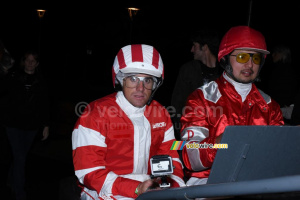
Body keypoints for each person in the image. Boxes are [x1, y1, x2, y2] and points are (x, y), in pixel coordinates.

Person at [72, 44, 185, 200]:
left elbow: (171, 158)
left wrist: (174, 186)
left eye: (148, 80)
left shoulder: (161, 113)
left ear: (155, 85)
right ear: (120, 79)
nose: (141, 88)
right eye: (133, 79)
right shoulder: (95, 113)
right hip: (102, 190)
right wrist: (136, 188)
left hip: (148, 188)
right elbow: (90, 172)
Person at [180, 26, 284, 186]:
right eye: (242, 57)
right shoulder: (200, 98)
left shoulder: (270, 106)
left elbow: (277, 158)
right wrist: (225, 142)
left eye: (256, 58)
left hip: (256, 184)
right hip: (206, 183)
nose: (250, 64)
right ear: (225, 58)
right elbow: (190, 156)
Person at [1, 50, 50, 200]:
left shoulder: (41, 81)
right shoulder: (13, 76)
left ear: (37, 63)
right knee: (20, 157)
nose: (30, 63)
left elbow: (45, 105)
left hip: (31, 126)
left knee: (20, 156)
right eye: (27, 60)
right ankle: (19, 192)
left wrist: (46, 125)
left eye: (33, 60)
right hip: (13, 124)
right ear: (24, 62)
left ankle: (11, 179)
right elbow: (4, 95)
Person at [171, 30, 223, 139]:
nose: (192, 50)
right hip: (192, 135)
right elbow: (177, 105)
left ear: (204, 47)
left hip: (220, 139)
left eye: (194, 46)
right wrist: (184, 133)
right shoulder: (188, 70)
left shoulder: (225, 73)